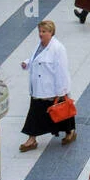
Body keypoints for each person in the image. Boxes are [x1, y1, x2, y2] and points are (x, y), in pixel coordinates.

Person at [20, 20, 75, 150]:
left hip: (51, 89)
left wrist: (62, 91)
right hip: (38, 89)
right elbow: (35, 60)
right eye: (40, 31)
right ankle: (32, 138)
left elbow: (62, 70)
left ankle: (69, 131)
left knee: (60, 112)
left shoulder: (58, 48)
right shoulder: (39, 45)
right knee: (35, 113)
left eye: (44, 31)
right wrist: (26, 63)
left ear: (51, 32)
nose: (41, 34)